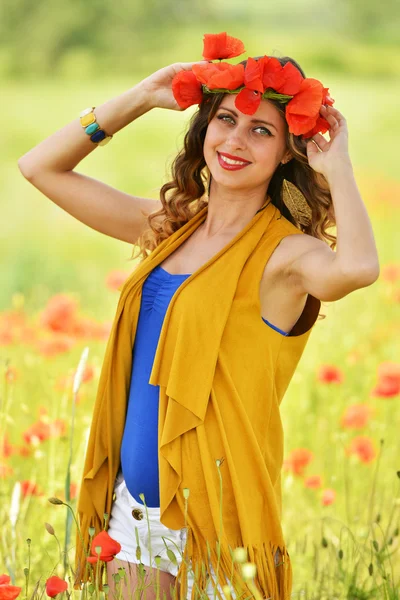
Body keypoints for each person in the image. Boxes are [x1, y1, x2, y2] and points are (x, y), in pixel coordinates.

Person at [18, 32, 380, 600]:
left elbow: (358, 268)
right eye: (226, 120)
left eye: (262, 130)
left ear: (289, 151)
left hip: (219, 522)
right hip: (134, 515)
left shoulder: (285, 257)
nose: (236, 140)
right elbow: (40, 168)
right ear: (204, 126)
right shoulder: (170, 228)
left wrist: (339, 167)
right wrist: (138, 97)